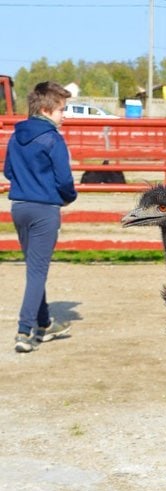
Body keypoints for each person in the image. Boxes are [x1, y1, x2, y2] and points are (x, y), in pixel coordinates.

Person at [3, 81, 76, 353]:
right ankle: (24, 330)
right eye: (61, 110)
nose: (64, 115)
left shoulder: (15, 136)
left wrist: (26, 183)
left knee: (34, 268)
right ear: (46, 110)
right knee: (37, 271)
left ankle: (44, 323)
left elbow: (9, 171)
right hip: (44, 210)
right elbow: (64, 179)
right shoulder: (53, 138)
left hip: (19, 207)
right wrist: (67, 196)